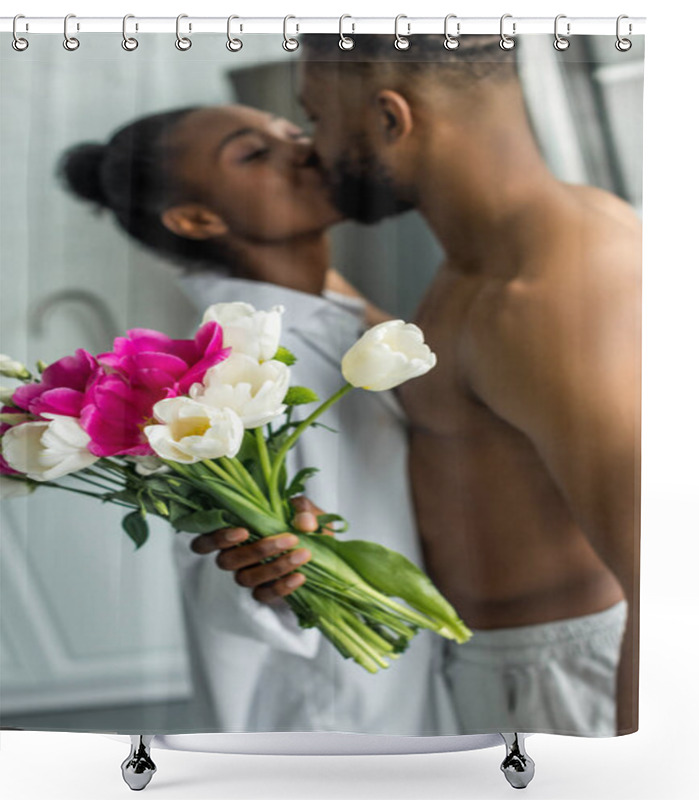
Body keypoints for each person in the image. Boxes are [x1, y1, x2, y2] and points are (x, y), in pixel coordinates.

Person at [58, 103, 461, 735]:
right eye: (254, 153)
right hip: (329, 704)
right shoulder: (222, 372)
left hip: (406, 674)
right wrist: (260, 569)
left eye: (294, 131)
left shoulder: (326, 312)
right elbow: (218, 551)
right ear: (197, 219)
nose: (300, 149)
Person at [298, 34, 641, 737]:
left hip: (562, 693)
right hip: (495, 669)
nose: (314, 149)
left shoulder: (545, 300)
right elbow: (469, 385)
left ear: (392, 120)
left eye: (318, 118)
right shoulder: (489, 262)